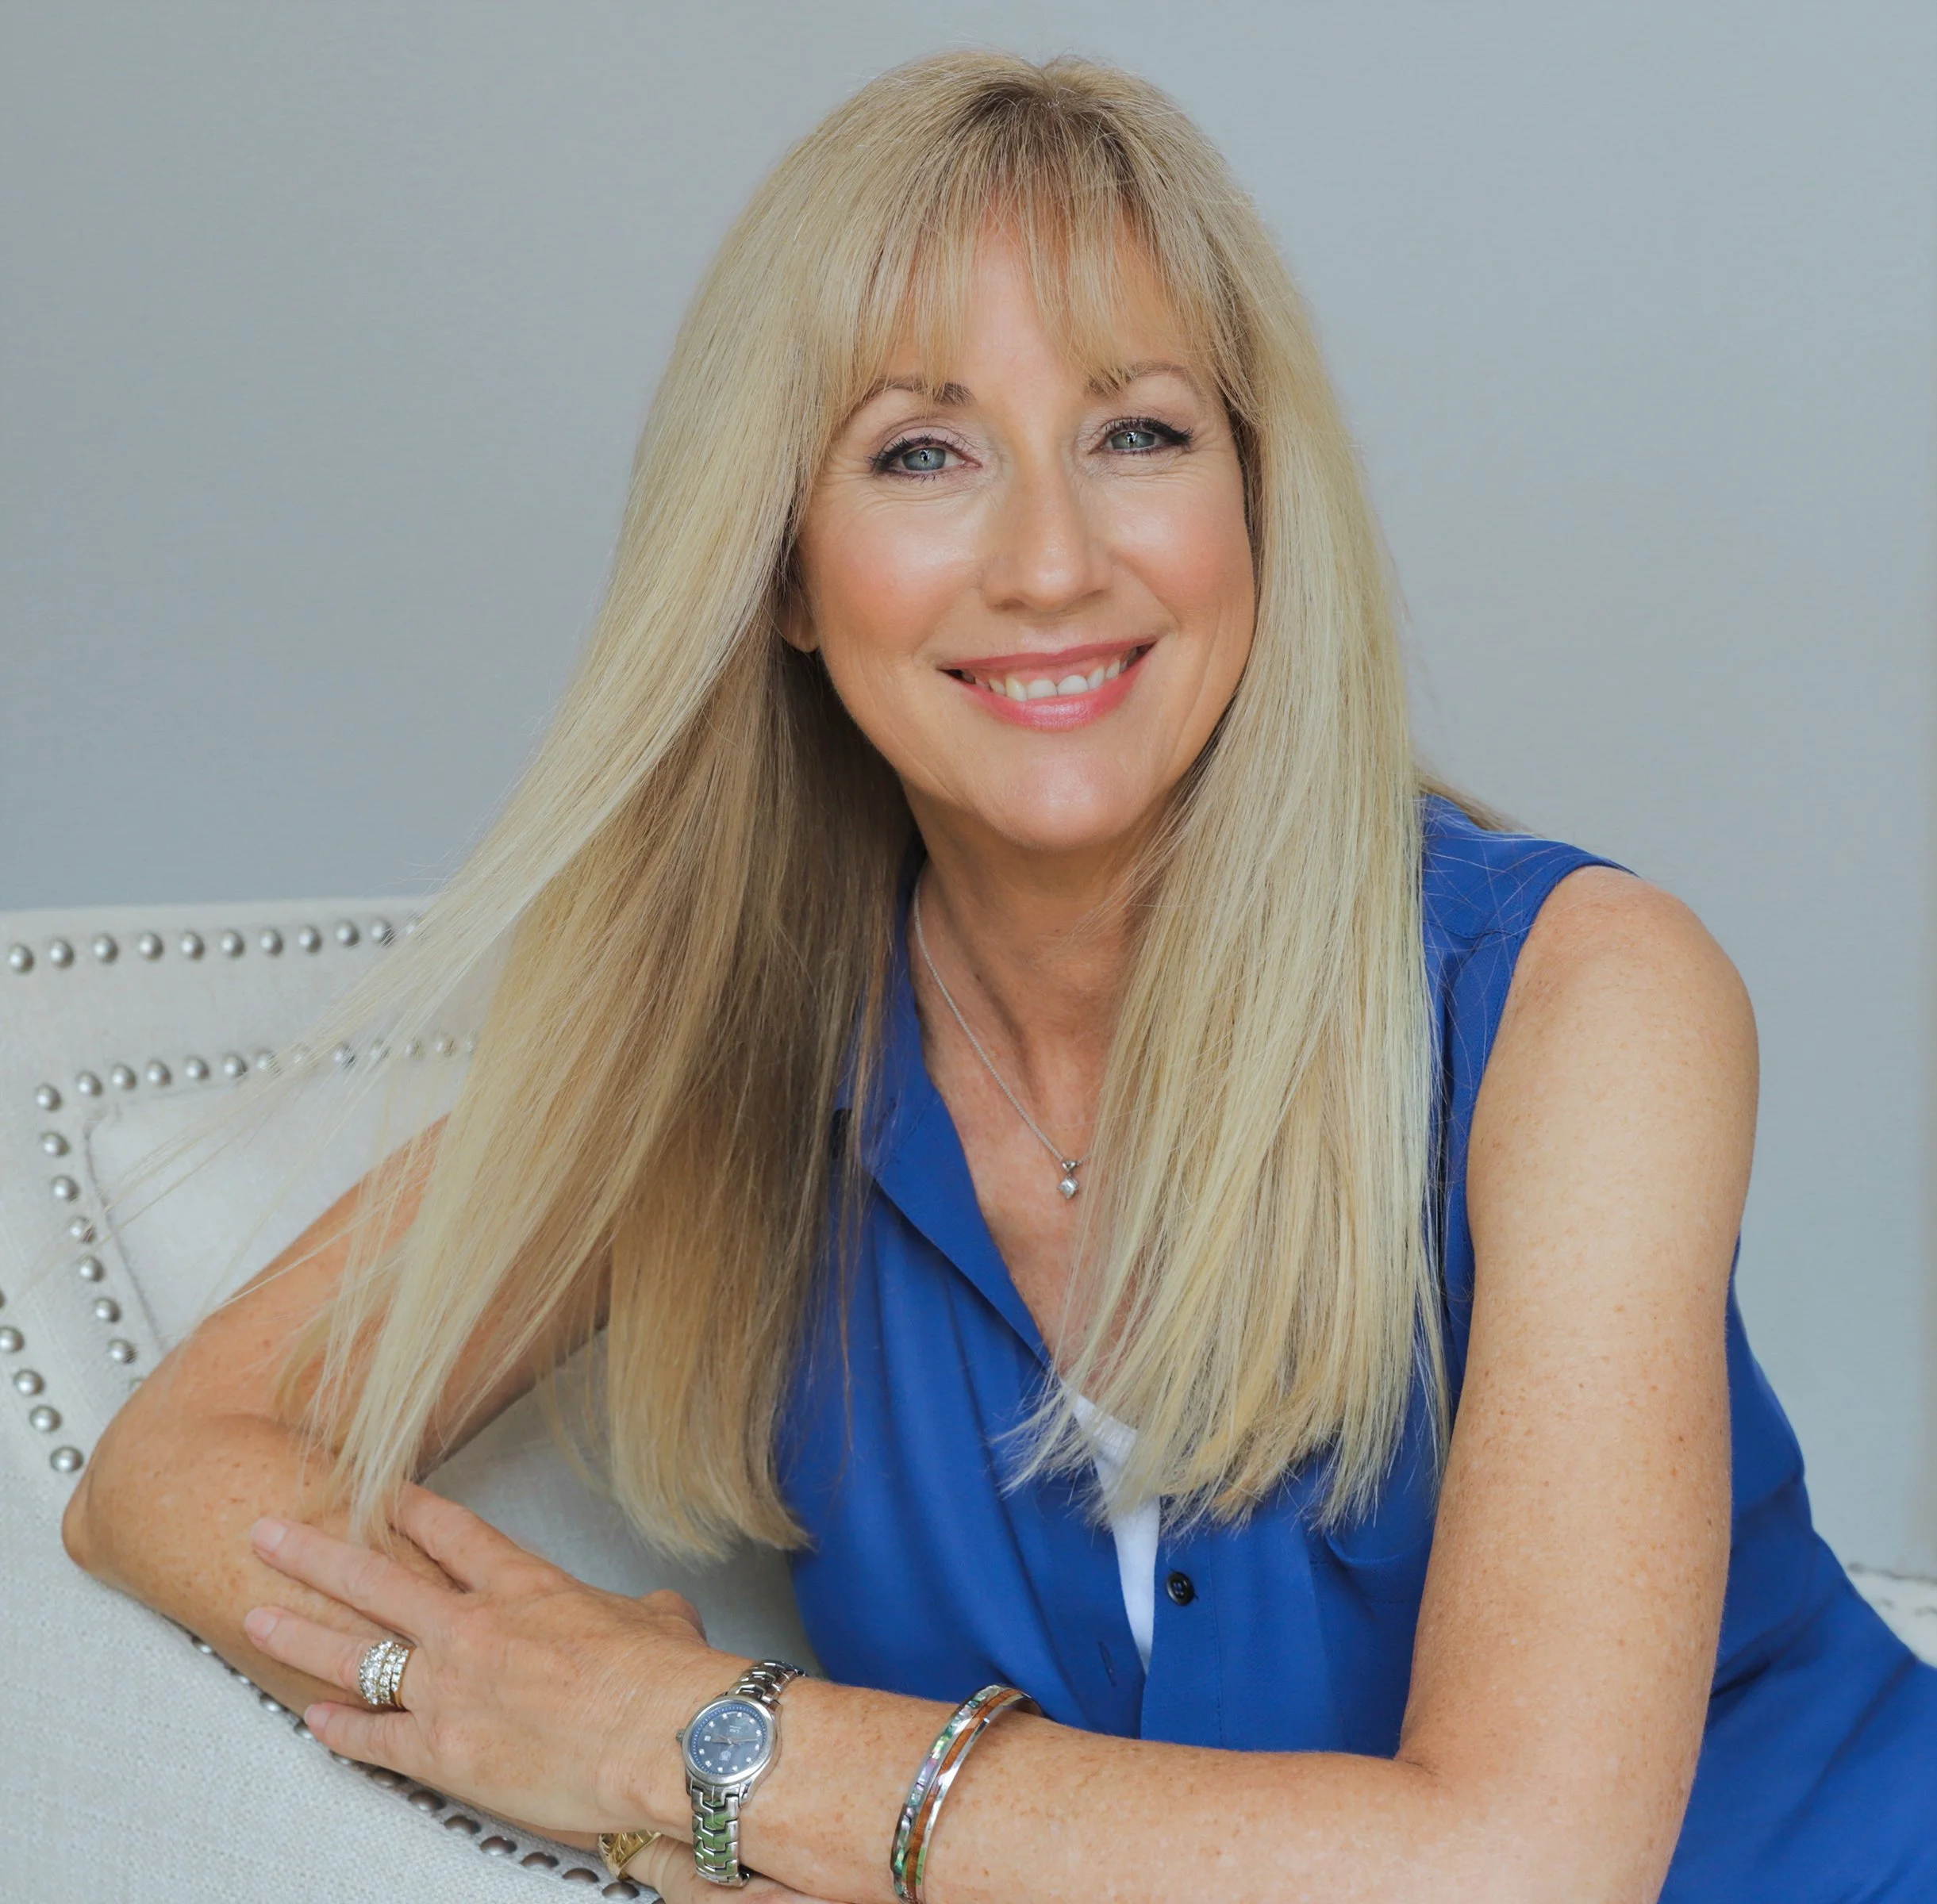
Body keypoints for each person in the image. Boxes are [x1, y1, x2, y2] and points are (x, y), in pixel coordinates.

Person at [60, 50, 1935, 1904]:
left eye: (1136, 433)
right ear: (782, 569)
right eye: (921, 453)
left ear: (1257, 516)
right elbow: (172, 1470)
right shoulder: (732, 1074)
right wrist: (541, 1729)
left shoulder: (1581, 1002)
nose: (1050, 560)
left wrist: (696, 1744)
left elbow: (1519, 1868)